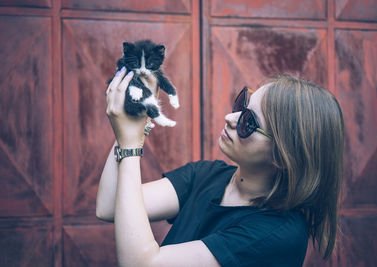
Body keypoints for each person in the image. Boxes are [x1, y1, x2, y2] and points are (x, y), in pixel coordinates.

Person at [96, 68, 344, 267]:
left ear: (283, 156)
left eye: (249, 121)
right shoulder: (206, 175)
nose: (230, 117)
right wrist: (133, 119)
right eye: (241, 105)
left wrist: (131, 145)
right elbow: (109, 206)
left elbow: (141, 263)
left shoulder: (276, 234)